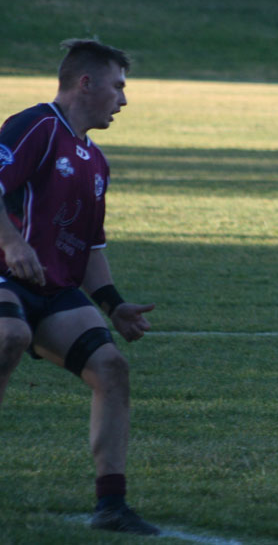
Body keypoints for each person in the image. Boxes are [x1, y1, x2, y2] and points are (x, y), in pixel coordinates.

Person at [0, 40, 158, 535]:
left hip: (50, 289)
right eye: (118, 87)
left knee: (111, 367)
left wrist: (114, 305)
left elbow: (89, 247)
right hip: (4, 275)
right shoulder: (36, 125)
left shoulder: (95, 160)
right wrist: (12, 243)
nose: (124, 100)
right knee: (9, 336)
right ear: (85, 83)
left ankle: (111, 506)